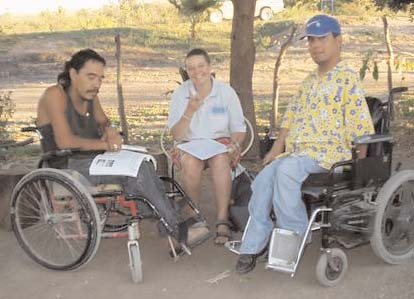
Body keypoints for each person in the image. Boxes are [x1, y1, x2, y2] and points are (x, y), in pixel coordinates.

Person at [235, 14, 375, 274]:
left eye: (322, 39)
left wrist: (360, 166)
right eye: (311, 40)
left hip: (328, 155)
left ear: (338, 40)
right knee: (264, 179)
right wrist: (276, 149)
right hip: (299, 154)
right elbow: (290, 115)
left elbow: (360, 125)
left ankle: (295, 235)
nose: (315, 45)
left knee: (286, 172)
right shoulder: (308, 81)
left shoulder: (347, 78)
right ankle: (254, 242)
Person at [36, 48, 205, 247]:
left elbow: (104, 122)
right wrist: (105, 144)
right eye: (91, 77)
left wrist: (111, 131)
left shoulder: (90, 96)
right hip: (66, 164)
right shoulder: (55, 94)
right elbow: (65, 141)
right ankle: (174, 225)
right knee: (137, 173)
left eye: (100, 78)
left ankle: (166, 217)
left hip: (93, 159)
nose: (96, 84)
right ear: (73, 74)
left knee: (143, 164)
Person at [167, 48, 246, 245]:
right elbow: (176, 135)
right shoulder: (181, 93)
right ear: (186, 71)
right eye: (191, 68)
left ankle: (222, 219)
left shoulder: (225, 92)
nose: (196, 72)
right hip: (190, 143)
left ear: (210, 67)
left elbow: (238, 128)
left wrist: (234, 144)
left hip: (221, 143)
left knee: (220, 159)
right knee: (191, 163)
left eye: (201, 66)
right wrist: (190, 111)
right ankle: (195, 216)